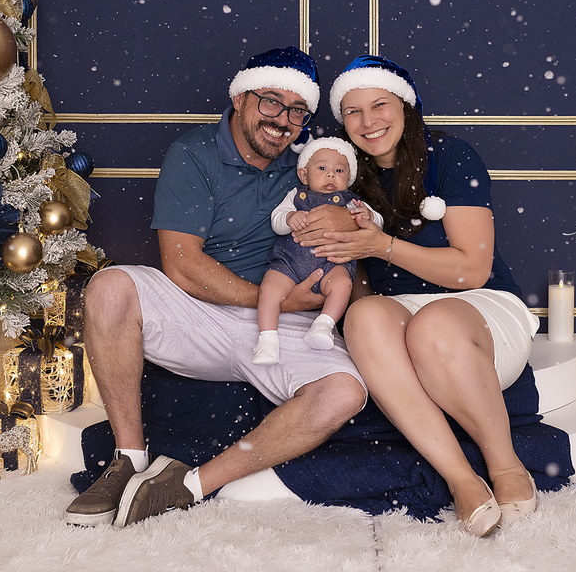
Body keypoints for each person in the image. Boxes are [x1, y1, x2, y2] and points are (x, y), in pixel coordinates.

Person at [64, 47, 367, 529]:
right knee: (109, 287)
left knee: (344, 394)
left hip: (288, 327)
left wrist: (344, 229)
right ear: (240, 98)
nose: (282, 121)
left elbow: (356, 230)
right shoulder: (194, 152)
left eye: (296, 110)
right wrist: (272, 300)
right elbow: (182, 265)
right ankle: (127, 459)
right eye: (271, 101)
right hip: (200, 313)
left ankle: (190, 484)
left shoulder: (314, 164)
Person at [310, 54, 541, 537]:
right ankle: (461, 478)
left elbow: (473, 268)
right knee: (363, 317)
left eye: (379, 105)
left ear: (405, 106)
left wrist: (383, 246)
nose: (368, 122)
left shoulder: (451, 155)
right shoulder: (345, 175)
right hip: (405, 312)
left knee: (434, 323)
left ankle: (504, 464)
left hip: (481, 305)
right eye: (353, 112)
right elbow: (360, 277)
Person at [253, 136, 383, 365]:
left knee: (343, 284)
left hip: (332, 263)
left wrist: (368, 216)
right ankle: (267, 339)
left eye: (339, 171)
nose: (330, 175)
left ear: (349, 179)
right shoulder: (296, 196)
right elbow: (277, 220)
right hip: (290, 263)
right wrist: (289, 218)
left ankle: (324, 325)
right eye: (322, 168)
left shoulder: (351, 202)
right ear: (304, 175)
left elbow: (378, 224)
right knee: (270, 289)